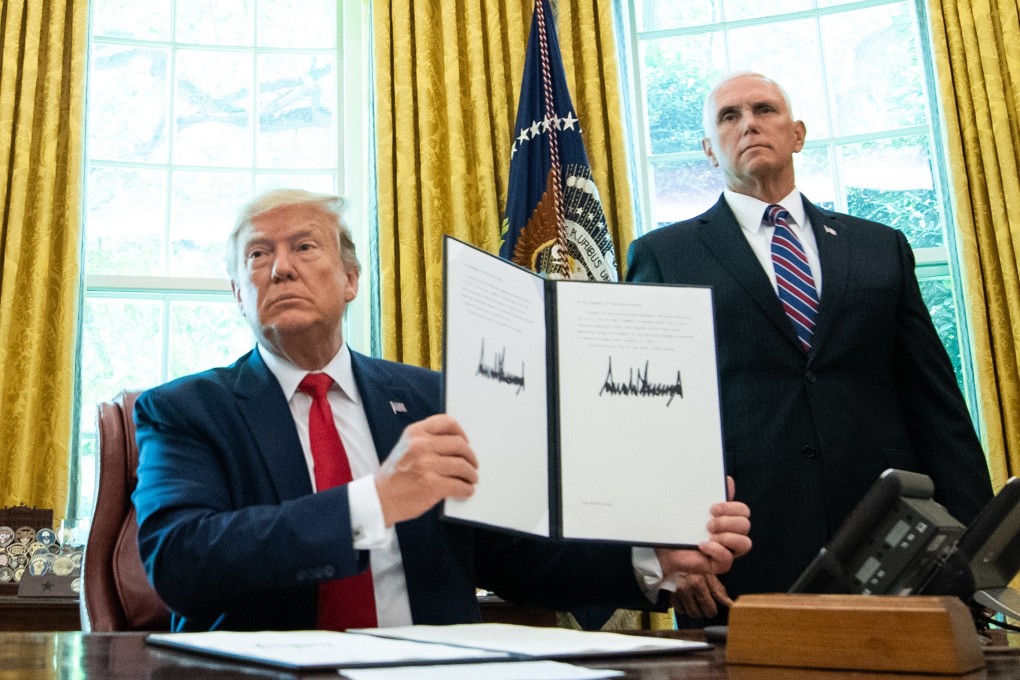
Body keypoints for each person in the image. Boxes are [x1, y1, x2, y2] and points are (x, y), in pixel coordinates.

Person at [132, 188, 752, 632]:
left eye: (304, 246)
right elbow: (180, 561)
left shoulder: (433, 400)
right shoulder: (186, 410)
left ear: (351, 279)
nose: (283, 267)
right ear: (239, 291)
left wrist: (653, 559)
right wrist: (377, 501)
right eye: (258, 256)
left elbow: (513, 555)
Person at [626, 72, 994, 624]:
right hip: (739, 544)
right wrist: (669, 542)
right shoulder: (664, 256)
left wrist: (976, 549)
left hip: (889, 535)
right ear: (709, 149)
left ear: (797, 133)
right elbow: (646, 416)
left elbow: (934, 403)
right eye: (728, 117)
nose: (748, 122)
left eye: (764, 109)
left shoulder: (880, 248)